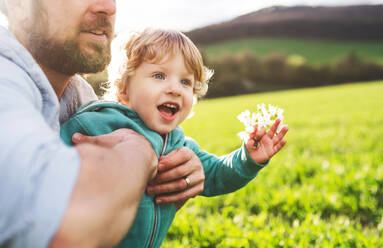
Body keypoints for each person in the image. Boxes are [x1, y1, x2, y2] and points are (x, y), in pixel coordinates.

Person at [0, 1, 205, 247]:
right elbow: (64, 228)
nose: (108, 7)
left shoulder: (81, 97)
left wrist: (169, 180)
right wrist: (138, 152)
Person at [60, 28, 289, 247]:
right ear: (124, 89)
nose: (175, 89)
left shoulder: (180, 147)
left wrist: (248, 158)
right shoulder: (97, 122)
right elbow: (49, 160)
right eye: (159, 75)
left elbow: (219, 175)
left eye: (185, 82)